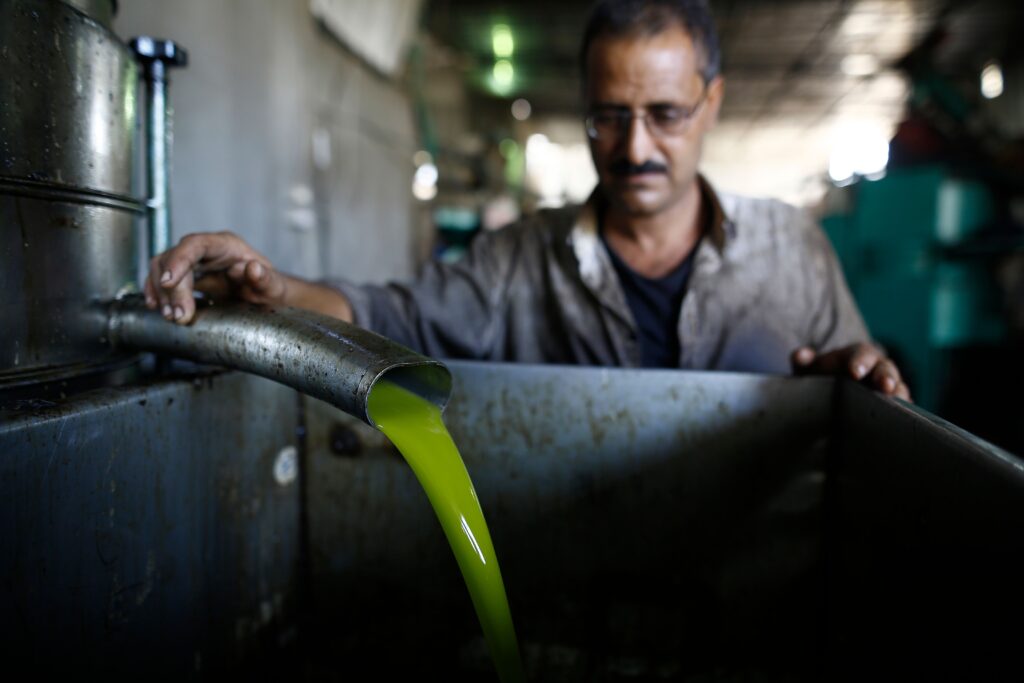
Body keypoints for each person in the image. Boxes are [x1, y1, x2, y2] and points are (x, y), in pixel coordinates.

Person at [143, 0, 910, 399]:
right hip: (576, 604)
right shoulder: (518, 261)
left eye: (666, 115)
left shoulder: (794, 252)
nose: (636, 147)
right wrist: (272, 289)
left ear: (711, 102)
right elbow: (383, 314)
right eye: (610, 116)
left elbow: (860, 385)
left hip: (753, 604)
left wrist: (857, 374)